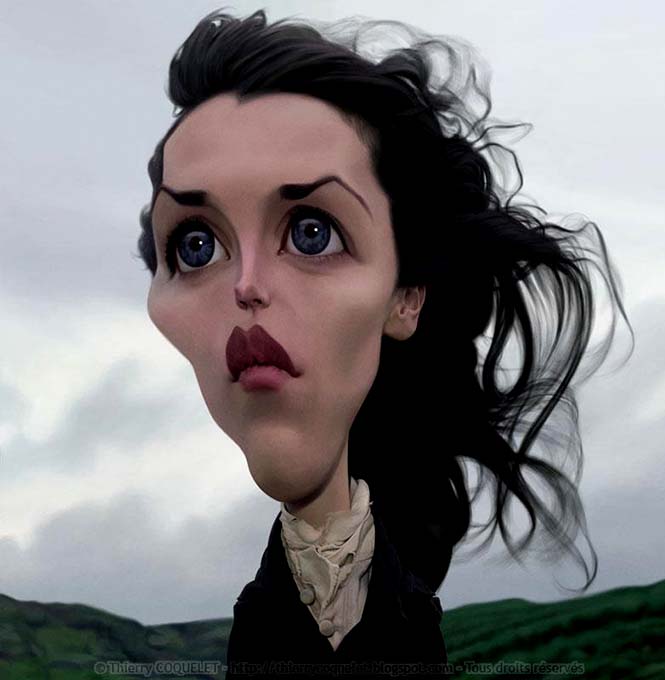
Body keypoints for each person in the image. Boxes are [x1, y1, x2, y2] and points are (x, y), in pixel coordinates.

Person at [135, 8, 631, 679]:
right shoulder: (276, 609)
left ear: (406, 295)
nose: (246, 286)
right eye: (196, 246)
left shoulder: (389, 607)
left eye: (311, 232)